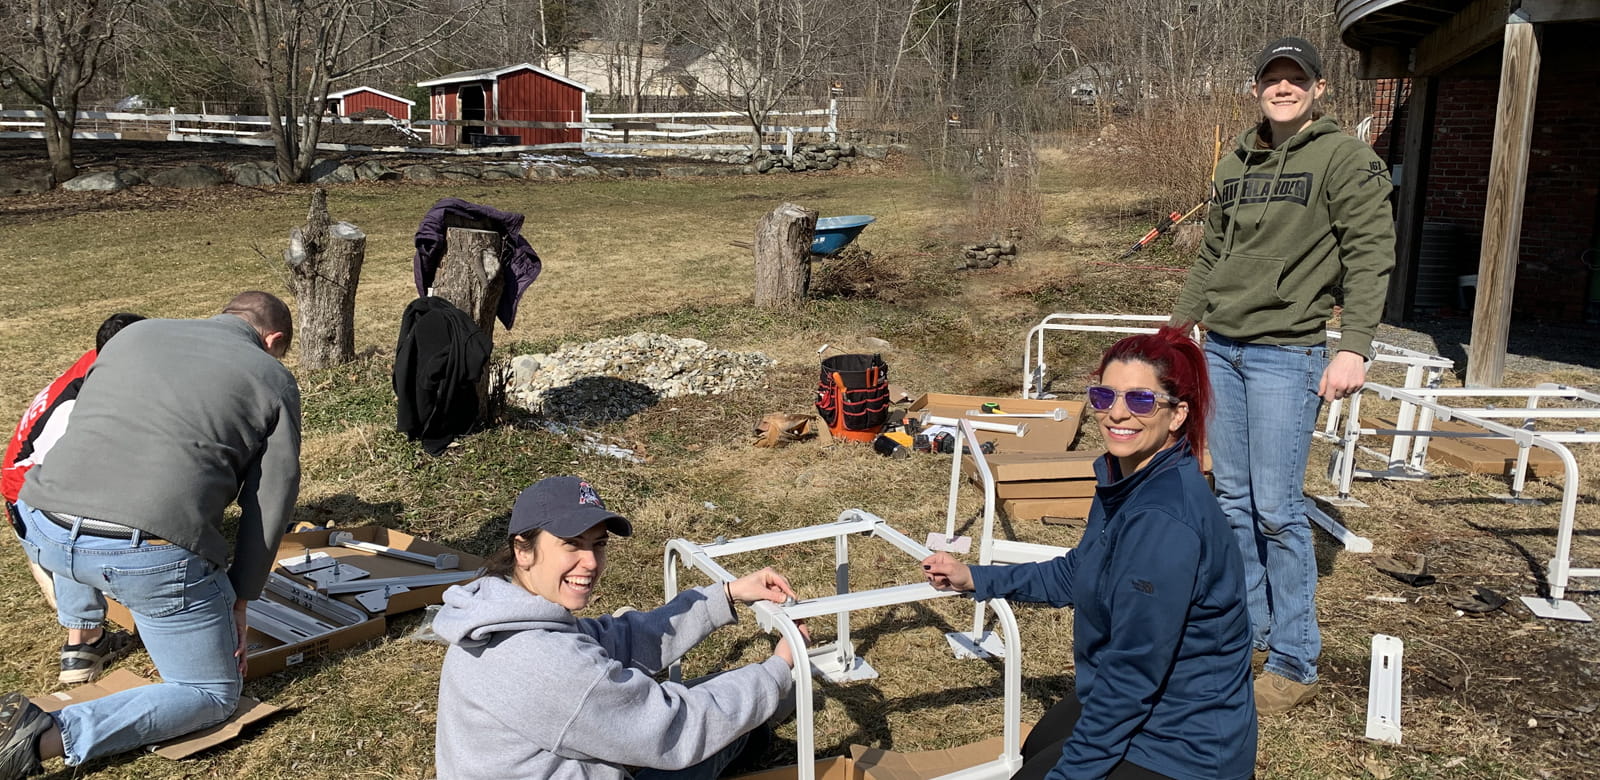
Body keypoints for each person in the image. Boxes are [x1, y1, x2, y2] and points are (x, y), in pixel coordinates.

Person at [1168, 36, 1394, 714]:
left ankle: (1294, 659)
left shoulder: (1345, 159)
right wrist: (1177, 332)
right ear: (1258, 88)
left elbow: (1371, 251)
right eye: (1273, 78)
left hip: (1285, 353)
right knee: (1232, 503)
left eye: (1297, 78)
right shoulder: (1235, 160)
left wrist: (1353, 346)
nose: (1284, 87)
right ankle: (1245, 635)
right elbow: (1213, 253)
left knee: (1278, 511)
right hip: (1223, 349)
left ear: (1319, 89)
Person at [923, 327, 1255, 780]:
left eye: (1141, 401)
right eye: (1104, 396)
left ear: (1177, 415)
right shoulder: (1126, 476)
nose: (1117, 413)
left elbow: (1132, 675)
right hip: (1140, 698)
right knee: (1038, 747)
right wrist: (978, 579)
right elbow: (1082, 571)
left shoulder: (1164, 522)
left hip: (1185, 747)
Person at [0, 291, 301, 778]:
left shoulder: (135, 335)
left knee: (88, 512)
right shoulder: (272, 376)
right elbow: (270, 501)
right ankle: (42, 737)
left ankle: (82, 638)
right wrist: (241, 598)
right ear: (274, 340)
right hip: (140, 553)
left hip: (41, 520)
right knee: (209, 694)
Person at [434, 475, 807, 780]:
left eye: (597, 545)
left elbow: (618, 639)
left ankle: (755, 725)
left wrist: (725, 595)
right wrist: (776, 670)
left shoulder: (497, 610)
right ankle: (756, 730)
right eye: (571, 545)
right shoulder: (544, 662)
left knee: (721, 699)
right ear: (522, 549)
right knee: (721, 725)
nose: (590, 562)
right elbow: (677, 727)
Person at [2, 312, 146, 684]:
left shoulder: (103, 365)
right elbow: (63, 487)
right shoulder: (75, 408)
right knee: (78, 519)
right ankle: (84, 642)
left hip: (44, 483)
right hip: (32, 498)